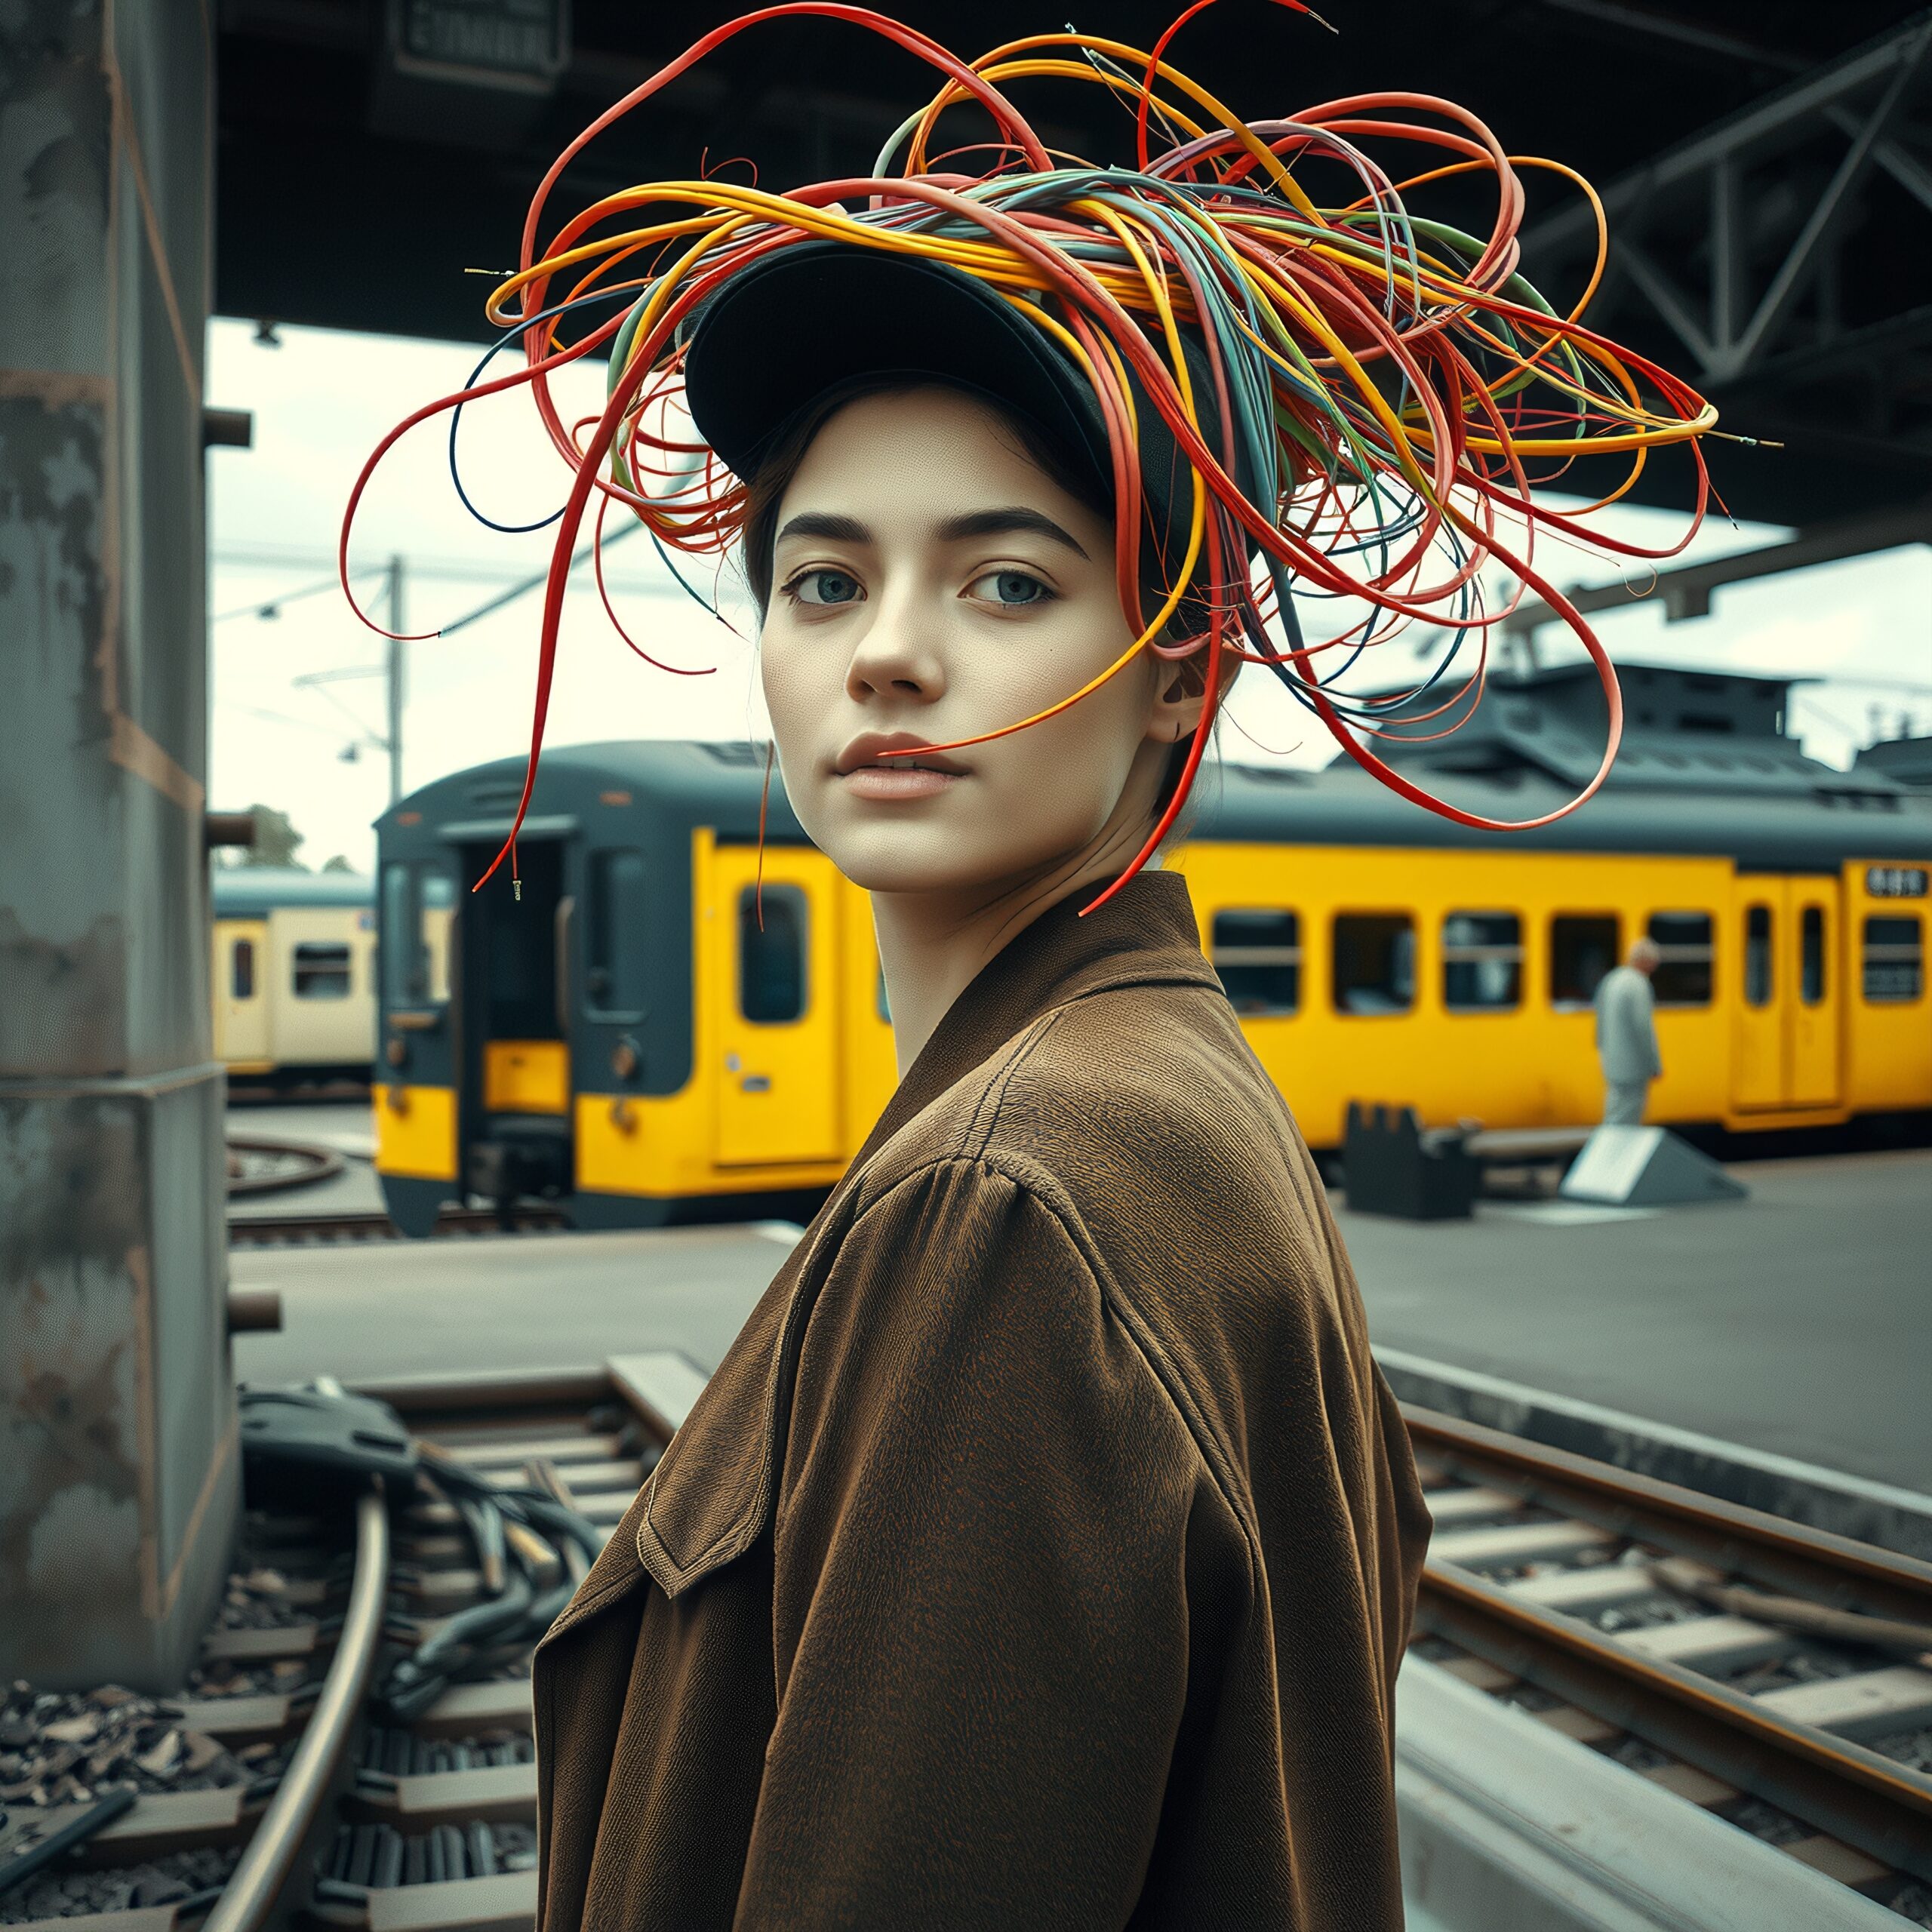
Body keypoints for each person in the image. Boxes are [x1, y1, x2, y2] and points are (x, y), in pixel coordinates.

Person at [349, 12, 1716, 1925]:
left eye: (1003, 579)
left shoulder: (1016, 1187)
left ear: (1176, 660)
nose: (886, 653)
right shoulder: (1161, 1093)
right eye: (823, 578)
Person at [1595, 937, 1664, 1124]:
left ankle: (1609, 1148)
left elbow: (1599, 1020)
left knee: (1614, 1113)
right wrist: (1654, 1063)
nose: (1654, 967)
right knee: (1629, 1119)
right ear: (1645, 961)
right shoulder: (1638, 985)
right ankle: (1619, 1151)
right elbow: (1644, 1028)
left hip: (1612, 1062)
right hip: (1634, 1065)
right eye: (1653, 962)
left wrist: (1602, 1050)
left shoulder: (1612, 979)